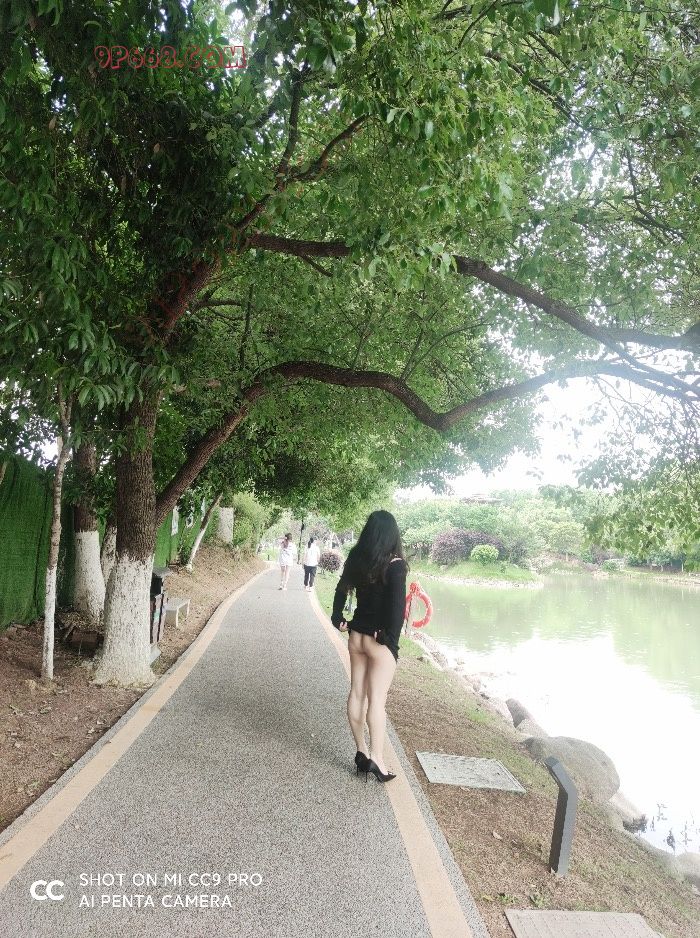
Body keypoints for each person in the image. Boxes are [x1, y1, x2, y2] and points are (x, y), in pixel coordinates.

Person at [331, 510, 407, 783]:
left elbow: (341, 590)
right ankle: (377, 759)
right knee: (377, 702)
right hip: (378, 641)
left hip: (356, 637)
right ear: (392, 535)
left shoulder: (357, 558)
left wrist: (337, 617)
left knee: (356, 694)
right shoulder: (396, 565)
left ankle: (361, 751)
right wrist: (390, 640)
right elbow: (397, 610)